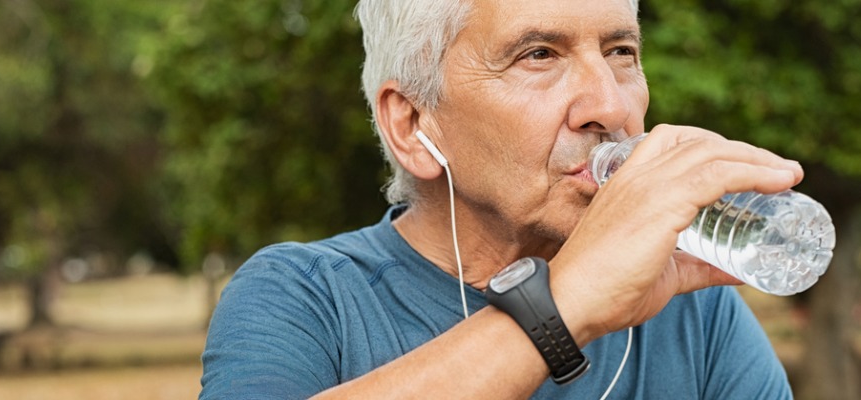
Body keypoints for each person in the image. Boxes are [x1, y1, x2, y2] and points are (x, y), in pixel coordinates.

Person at [200, 0, 799, 398]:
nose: (612, 108)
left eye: (621, 52)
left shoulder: (692, 311)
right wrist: (564, 304)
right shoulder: (307, 296)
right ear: (412, 124)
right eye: (538, 55)